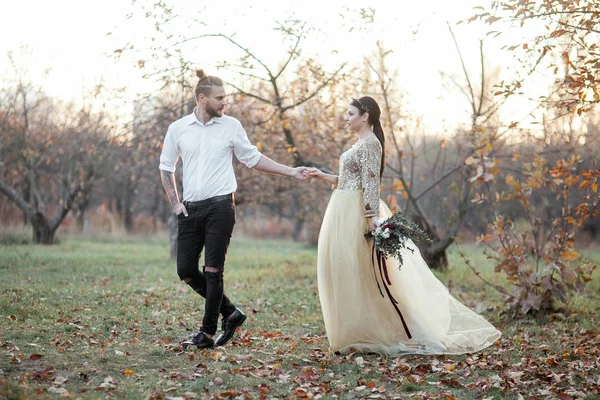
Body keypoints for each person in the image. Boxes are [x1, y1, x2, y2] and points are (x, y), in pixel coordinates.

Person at [307, 96, 501, 355]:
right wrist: (322, 176)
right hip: (342, 209)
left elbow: (371, 182)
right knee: (345, 271)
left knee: (365, 273)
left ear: (365, 116)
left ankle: (384, 330)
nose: (346, 117)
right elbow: (348, 181)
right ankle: (354, 332)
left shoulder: (371, 145)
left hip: (357, 213)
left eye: (350, 113)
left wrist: (372, 216)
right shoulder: (360, 143)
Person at [159, 69, 309, 349]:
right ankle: (231, 313)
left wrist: (291, 172)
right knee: (186, 270)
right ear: (202, 99)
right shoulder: (178, 128)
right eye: (219, 98)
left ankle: (205, 333)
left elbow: (252, 159)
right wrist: (176, 203)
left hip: (220, 208)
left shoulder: (231, 126)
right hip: (190, 210)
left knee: (213, 271)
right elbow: (166, 167)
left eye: (225, 97)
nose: (224, 102)